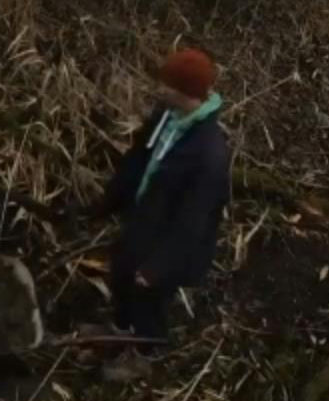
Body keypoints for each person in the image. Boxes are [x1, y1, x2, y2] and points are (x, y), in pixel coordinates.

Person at [90, 47, 231, 381]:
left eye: (167, 84)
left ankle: (143, 354)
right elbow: (139, 158)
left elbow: (193, 221)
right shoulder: (167, 117)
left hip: (171, 241)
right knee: (122, 273)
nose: (159, 88)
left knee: (148, 297)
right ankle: (119, 329)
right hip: (144, 220)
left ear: (186, 91)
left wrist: (158, 267)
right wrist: (108, 202)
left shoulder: (208, 154)